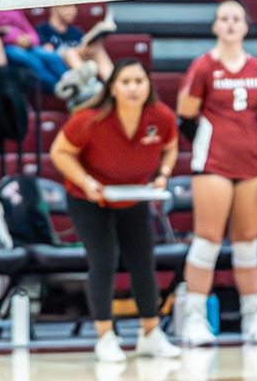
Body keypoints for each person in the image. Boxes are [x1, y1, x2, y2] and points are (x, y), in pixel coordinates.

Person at [48, 59, 181, 362]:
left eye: (139, 81)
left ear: (148, 86)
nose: (133, 88)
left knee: (142, 262)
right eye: (126, 82)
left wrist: (163, 173)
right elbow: (60, 152)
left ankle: (150, 334)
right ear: (113, 87)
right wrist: (86, 181)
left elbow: (171, 146)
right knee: (104, 261)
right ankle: (105, 336)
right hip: (89, 199)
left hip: (134, 197)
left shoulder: (160, 117)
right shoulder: (89, 119)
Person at [175, 0, 257, 346]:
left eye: (237, 18)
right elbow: (185, 119)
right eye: (225, 18)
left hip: (252, 166)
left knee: (248, 245)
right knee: (206, 242)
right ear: (216, 26)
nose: (231, 23)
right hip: (213, 167)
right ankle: (194, 319)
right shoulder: (203, 67)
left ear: (246, 26)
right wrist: (211, 144)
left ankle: (255, 318)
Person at [39, 3, 115, 106]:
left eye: (74, 7)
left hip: (79, 66)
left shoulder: (76, 32)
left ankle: (114, 84)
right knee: (70, 52)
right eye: (67, 6)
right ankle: (90, 84)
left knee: (97, 51)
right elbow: (44, 54)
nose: (72, 10)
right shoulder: (43, 29)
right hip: (60, 72)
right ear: (53, 8)